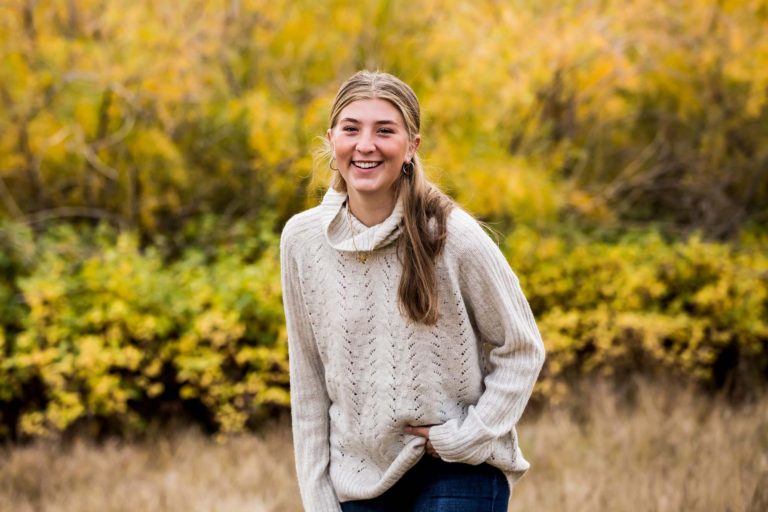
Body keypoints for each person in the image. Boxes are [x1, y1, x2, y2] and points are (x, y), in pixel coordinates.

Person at [280, 70, 545, 512]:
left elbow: (521, 348)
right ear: (331, 140)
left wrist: (468, 437)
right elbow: (307, 384)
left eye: (385, 130)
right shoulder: (302, 241)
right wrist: (318, 498)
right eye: (351, 129)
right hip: (360, 481)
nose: (366, 145)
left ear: (411, 146)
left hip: (455, 471)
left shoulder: (453, 235)